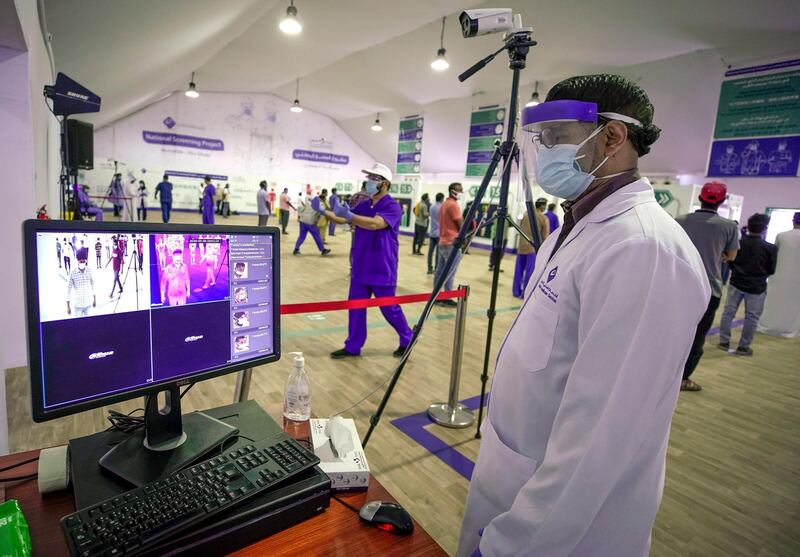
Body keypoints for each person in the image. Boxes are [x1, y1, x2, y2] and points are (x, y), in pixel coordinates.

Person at [457, 74, 710, 557]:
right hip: (516, 476)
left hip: (561, 529)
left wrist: (512, 545)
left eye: (556, 137)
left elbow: (599, 434)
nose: (546, 151)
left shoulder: (643, 250)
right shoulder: (575, 227)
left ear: (612, 136)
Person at [326, 163, 413, 359]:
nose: (369, 182)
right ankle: (353, 346)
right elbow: (346, 219)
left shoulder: (392, 206)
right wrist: (326, 212)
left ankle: (407, 337)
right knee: (355, 308)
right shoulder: (365, 204)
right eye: (369, 177)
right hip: (361, 265)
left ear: (385, 183)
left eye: (374, 178)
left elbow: (376, 224)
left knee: (389, 308)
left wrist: (350, 215)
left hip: (381, 266)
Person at [675, 181, 739, 391]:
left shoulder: (680, 220)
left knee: (670, 331)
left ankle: (659, 373)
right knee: (697, 337)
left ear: (700, 198)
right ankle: (683, 380)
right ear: (722, 201)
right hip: (709, 290)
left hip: (677, 286)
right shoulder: (729, 227)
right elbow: (731, 256)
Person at [717, 213, 777, 356]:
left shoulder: (739, 243)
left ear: (748, 226)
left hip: (736, 282)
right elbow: (771, 269)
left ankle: (724, 342)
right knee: (751, 317)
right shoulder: (770, 248)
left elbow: (730, 261)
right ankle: (743, 347)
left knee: (728, 312)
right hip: (757, 287)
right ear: (764, 228)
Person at [759, 212, 800, 337]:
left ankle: (769, 325)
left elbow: (775, 253)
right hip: (797, 276)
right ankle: (790, 328)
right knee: (794, 303)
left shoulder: (782, 235)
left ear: (793, 221)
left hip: (779, 273)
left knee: (774, 301)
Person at [512, 199, 550, 298]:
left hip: (521, 246)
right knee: (530, 271)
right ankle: (526, 293)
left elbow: (520, 228)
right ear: (542, 206)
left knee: (518, 271)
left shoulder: (525, 215)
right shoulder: (544, 218)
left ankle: (516, 291)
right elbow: (545, 236)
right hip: (533, 248)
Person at [434, 183, 464, 307]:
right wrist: (464, 237)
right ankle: (447, 297)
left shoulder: (444, 204)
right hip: (452, 243)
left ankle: (436, 296)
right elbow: (459, 223)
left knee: (440, 271)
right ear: (453, 191)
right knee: (450, 271)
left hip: (442, 241)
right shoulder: (453, 205)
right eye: (460, 190)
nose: (462, 192)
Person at [66, 248, 95, 317]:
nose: (82, 263)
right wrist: (68, 306)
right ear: (78, 261)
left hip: (88, 304)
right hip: (77, 305)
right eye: (80, 262)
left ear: (86, 261)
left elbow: (93, 285)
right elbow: (68, 290)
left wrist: (95, 299)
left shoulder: (90, 271)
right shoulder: (73, 273)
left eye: (83, 262)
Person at [427, 193, 444, 275]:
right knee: (438, 253)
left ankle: (429, 268)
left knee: (430, 252)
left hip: (432, 232)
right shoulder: (442, 208)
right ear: (441, 199)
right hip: (439, 233)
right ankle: (437, 269)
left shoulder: (431, 207)